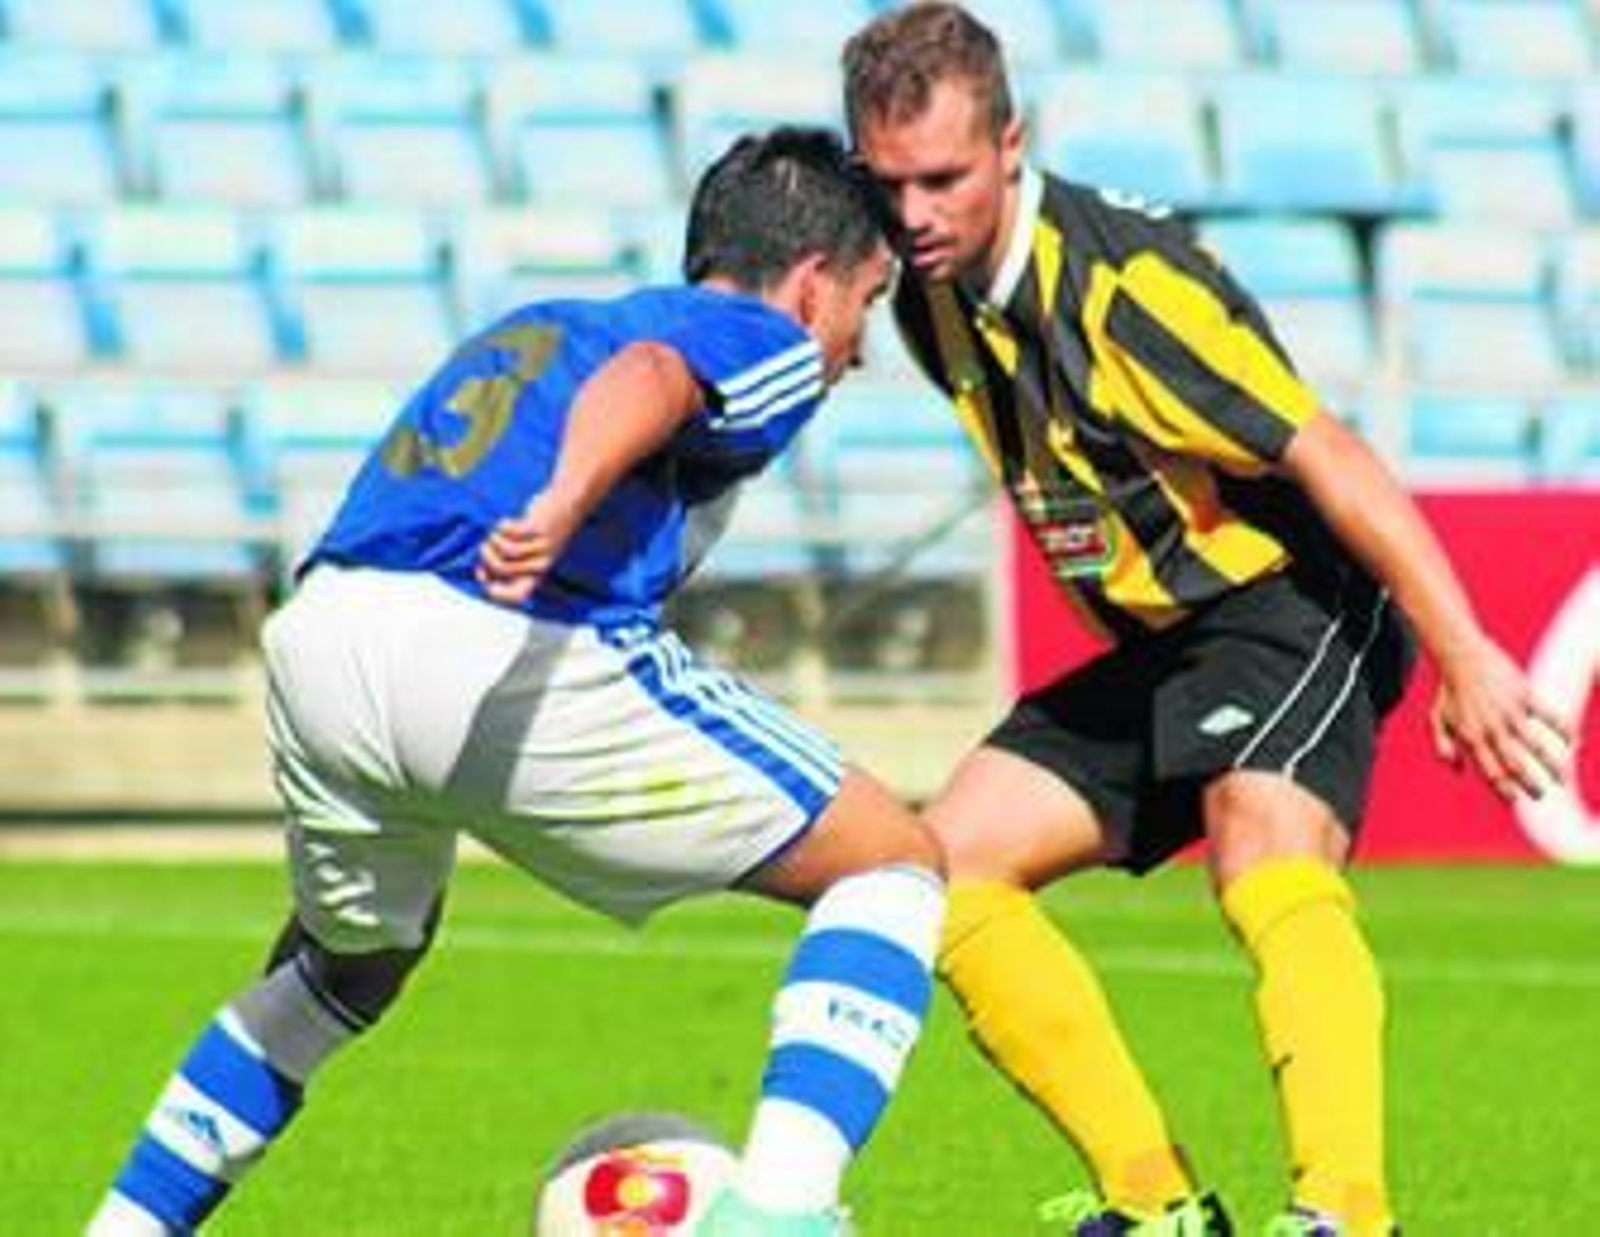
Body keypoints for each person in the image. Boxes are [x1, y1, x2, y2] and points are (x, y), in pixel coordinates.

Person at [87, 127, 946, 1237]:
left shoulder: (538, 329)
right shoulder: (756, 331)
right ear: (812, 279)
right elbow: (658, 380)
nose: (857, 348)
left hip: (327, 641)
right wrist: (565, 500)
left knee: (345, 970)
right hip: (494, 639)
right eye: (866, 305)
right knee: (892, 861)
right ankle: (775, 1214)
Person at [841, 6, 1571, 1235]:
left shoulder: (1126, 295)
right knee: (938, 866)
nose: (912, 213)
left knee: (1259, 840)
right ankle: (1160, 1205)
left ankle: (1343, 1211)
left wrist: (1464, 651)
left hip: (1295, 600)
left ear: (1011, 144)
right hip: (1166, 640)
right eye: (888, 182)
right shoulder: (928, 297)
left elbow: (1327, 451)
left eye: (942, 180)